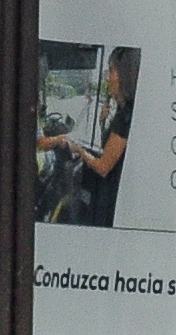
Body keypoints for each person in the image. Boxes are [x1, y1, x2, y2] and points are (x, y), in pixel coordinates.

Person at [39, 52, 135, 227]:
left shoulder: (126, 118)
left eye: (112, 71)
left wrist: (79, 150)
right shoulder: (120, 113)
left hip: (109, 196)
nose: (107, 78)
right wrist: (102, 122)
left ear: (124, 75)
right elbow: (110, 148)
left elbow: (104, 166)